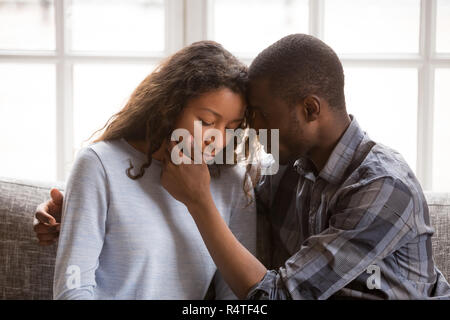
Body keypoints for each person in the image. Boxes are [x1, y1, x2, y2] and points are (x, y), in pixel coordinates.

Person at [35, 34, 450, 300]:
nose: (251, 135)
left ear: (309, 110)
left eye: (249, 121)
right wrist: (76, 213)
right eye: (212, 121)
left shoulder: (383, 187)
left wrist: (199, 201)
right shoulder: (288, 164)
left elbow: (273, 297)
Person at [38, 40, 258, 299]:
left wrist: (200, 199)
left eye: (231, 127)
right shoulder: (98, 165)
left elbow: (240, 298)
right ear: (170, 107)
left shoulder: (233, 183)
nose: (219, 140)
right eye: (207, 122)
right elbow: (72, 291)